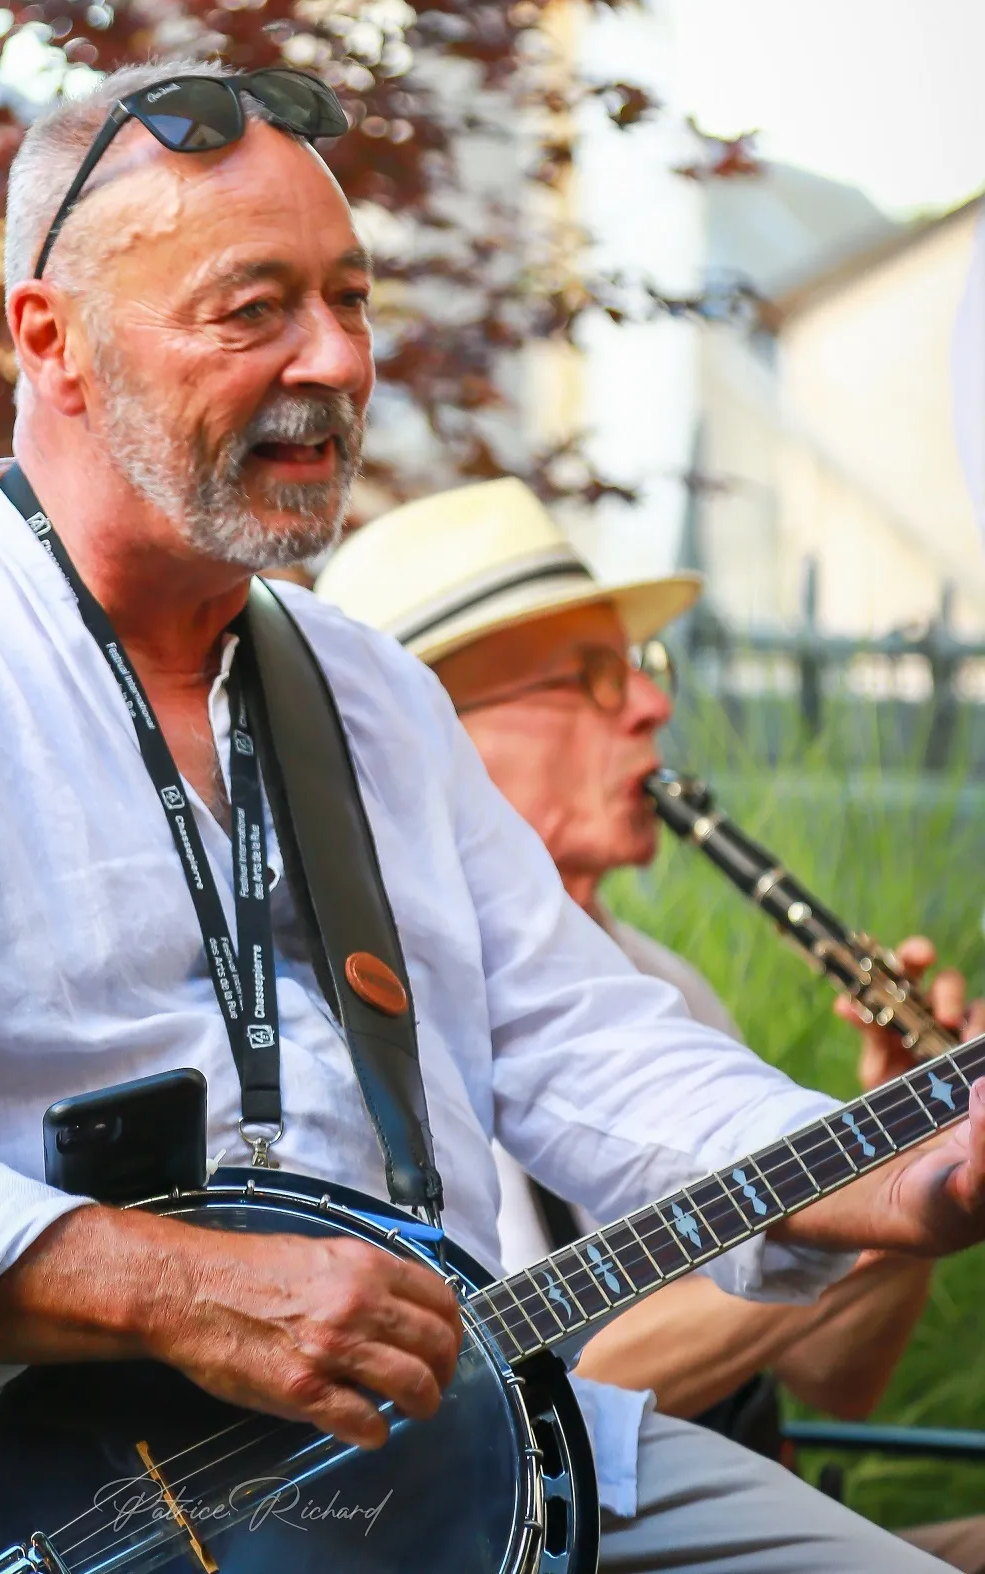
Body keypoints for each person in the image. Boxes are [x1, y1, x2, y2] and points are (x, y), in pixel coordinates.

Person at [0, 59, 985, 1574]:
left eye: (350, 300)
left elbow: (577, 1043)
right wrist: (177, 1287)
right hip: (54, 1517)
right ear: (54, 340)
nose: (337, 360)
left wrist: (879, 1172)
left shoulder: (374, 695)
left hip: (468, 1444)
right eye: (254, 309)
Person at [316, 480, 985, 1541]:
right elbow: (525, 1394)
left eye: (639, 668)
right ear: (429, 737)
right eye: (588, 678)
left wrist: (914, 1160)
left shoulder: (659, 986)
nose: (650, 705)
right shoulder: (367, 1028)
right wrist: (841, 1187)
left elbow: (833, 1373)